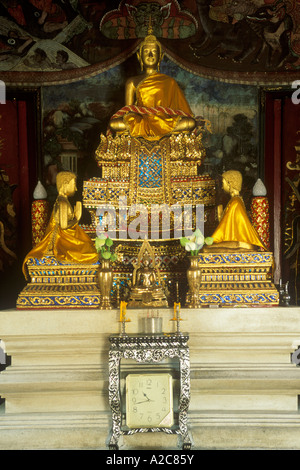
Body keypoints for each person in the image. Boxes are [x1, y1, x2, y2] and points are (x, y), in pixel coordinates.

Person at [109, 26, 196, 141]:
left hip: (164, 121)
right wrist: (139, 117)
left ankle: (156, 129)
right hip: (141, 121)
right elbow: (128, 111)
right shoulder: (132, 82)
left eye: (154, 52)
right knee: (114, 124)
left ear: (160, 57)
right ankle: (151, 130)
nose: (150, 55)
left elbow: (180, 111)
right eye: (146, 52)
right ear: (140, 57)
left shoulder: (169, 82)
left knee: (189, 123)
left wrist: (160, 118)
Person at [22, 171, 98, 279]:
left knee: (90, 247)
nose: (76, 189)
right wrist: (77, 218)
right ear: (65, 184)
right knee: (91, 253)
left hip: (66, 237)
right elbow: (63, 226)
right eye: (74, 185)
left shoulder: (63, 201)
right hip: (61, 240)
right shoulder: (62, 202)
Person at [206, 170, 266, 251]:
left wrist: (212, 241)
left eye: (223, 183)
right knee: (207, 248)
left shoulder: (235, 203)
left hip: (239, 242)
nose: (222, 187)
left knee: (206, 249)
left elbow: (221, 232)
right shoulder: (236, 201)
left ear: (229, 183)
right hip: (235, 241)